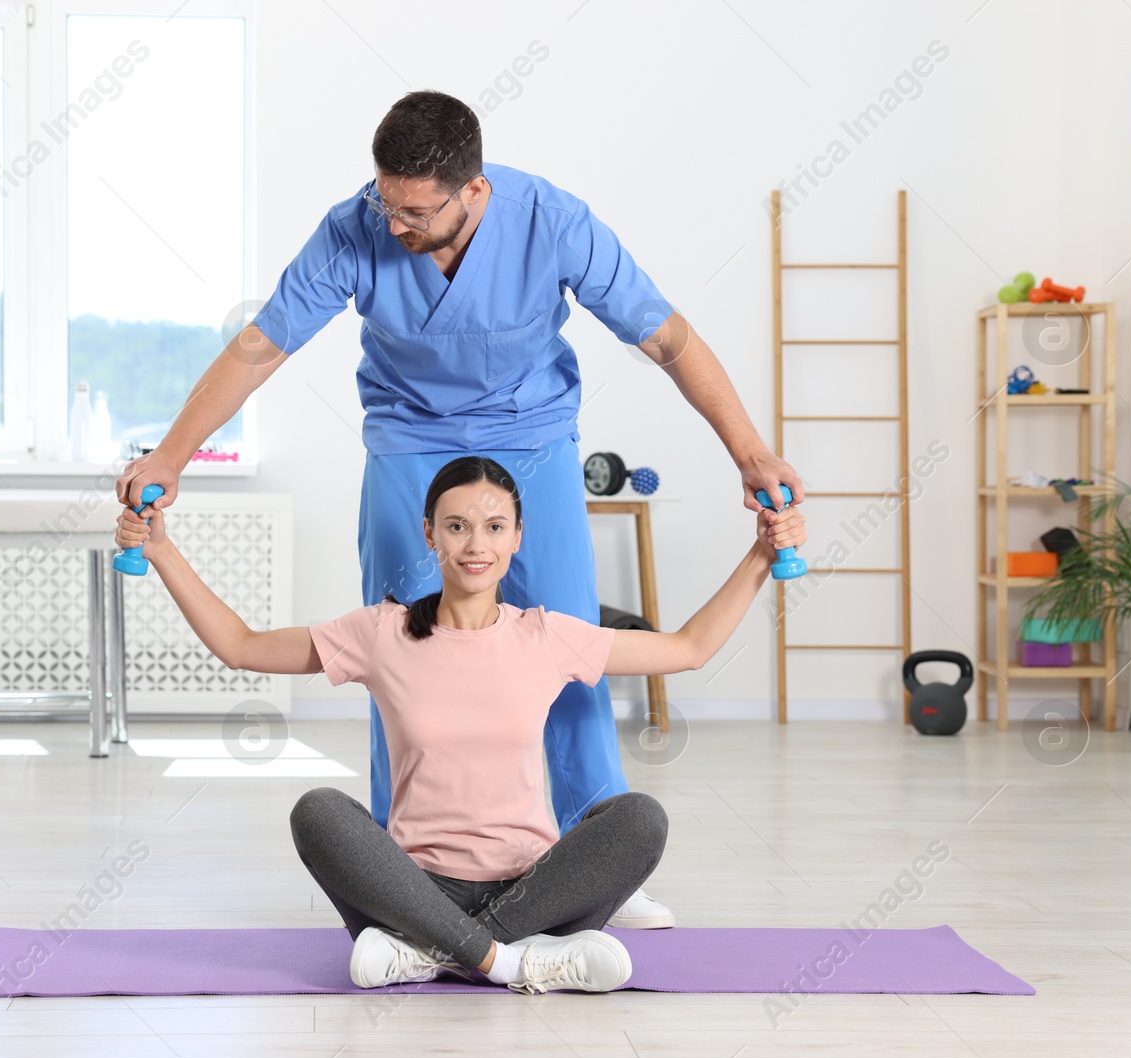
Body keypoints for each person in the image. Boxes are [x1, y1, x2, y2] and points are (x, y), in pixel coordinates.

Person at [116, 90, 804, 928]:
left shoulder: (550, 220)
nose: (393, 224)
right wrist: (171, 454)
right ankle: (399, 872)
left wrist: (750, 451)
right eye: (384, 201)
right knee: (401, 646)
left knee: (570, 643)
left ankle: (592, 868)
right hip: (408, 438)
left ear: (472, 192)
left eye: (414, 211)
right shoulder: (354, 227)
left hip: (534, 436)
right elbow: (263, 344)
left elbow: (667, 338)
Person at [114, 455, 807, 993]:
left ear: (517, 537)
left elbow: (687, 648)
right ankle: (508, 962)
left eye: (494, 526)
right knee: (319, 809)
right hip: (413, 889)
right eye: (457, 525)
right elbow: (240, 645)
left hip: (534, 890)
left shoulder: (546, 635)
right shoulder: (382, 632)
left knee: (641, 818)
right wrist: (164, 548)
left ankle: (436, 953)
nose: (476, 543)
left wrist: (760, 552)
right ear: (430, 534)